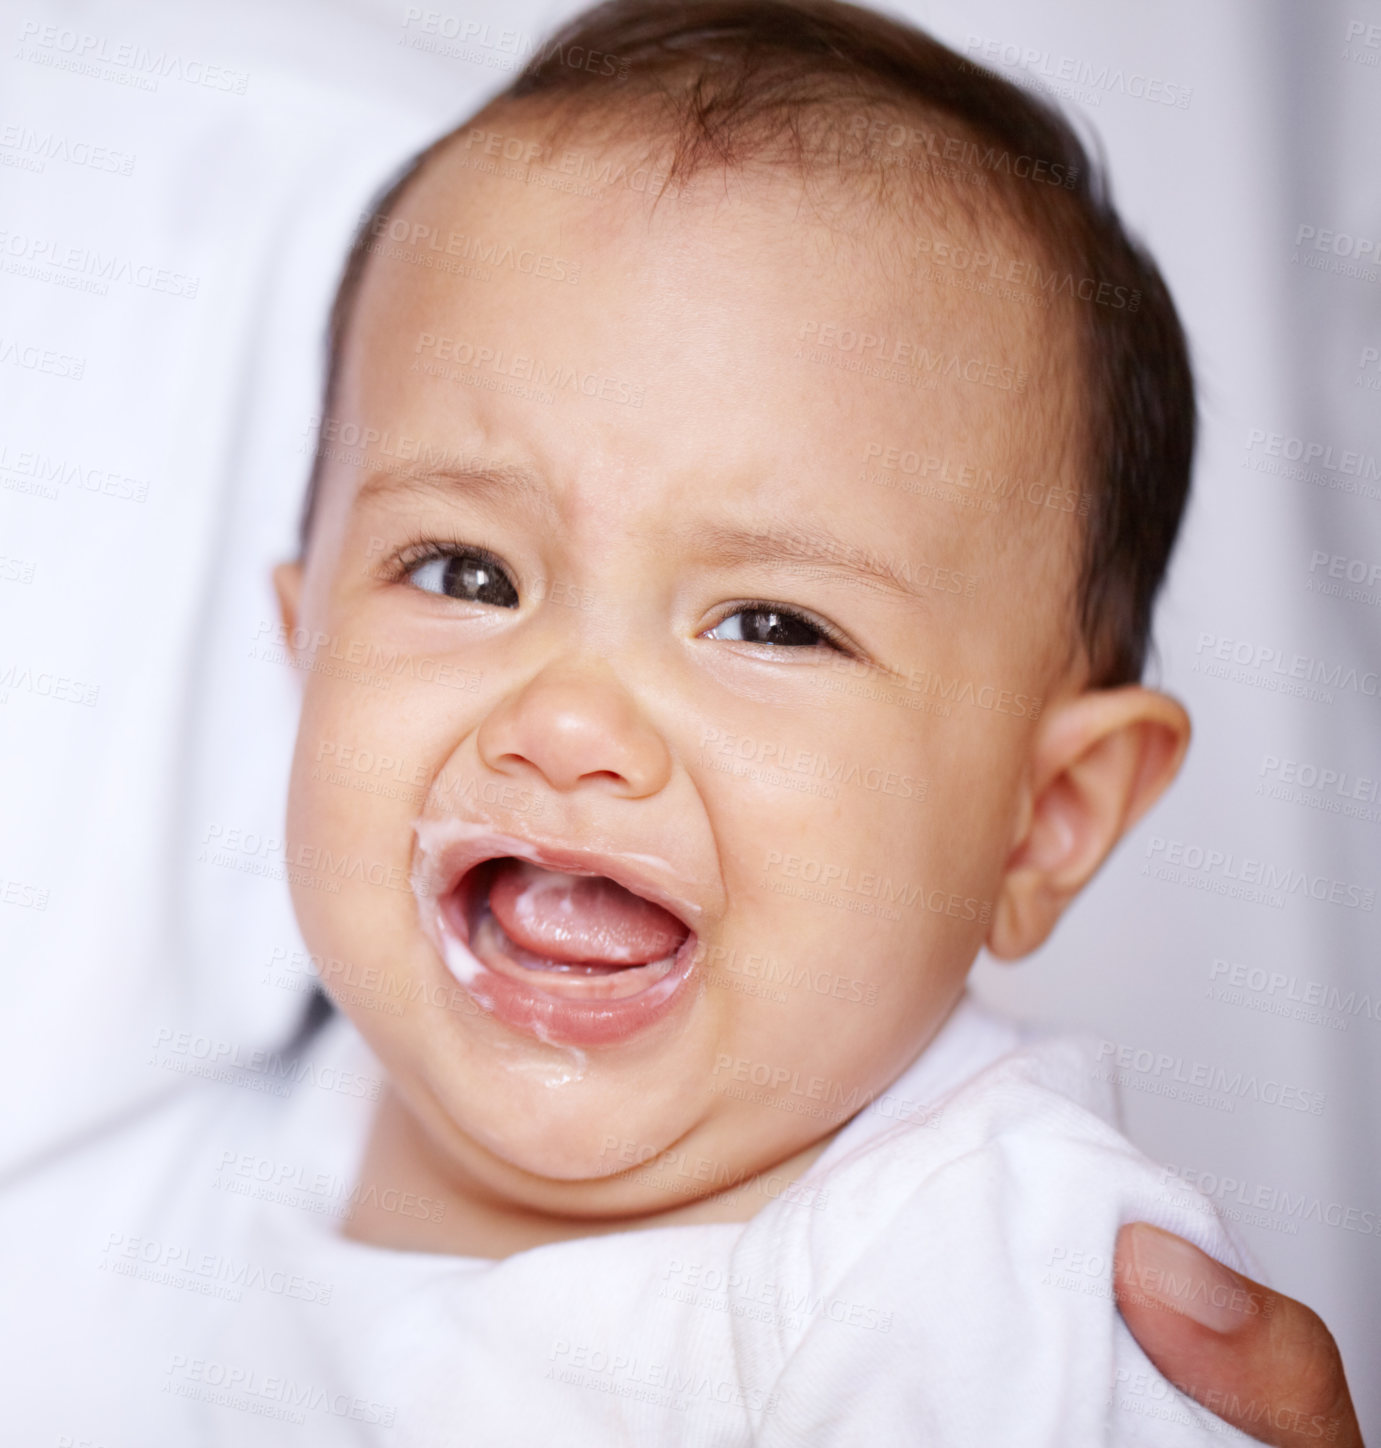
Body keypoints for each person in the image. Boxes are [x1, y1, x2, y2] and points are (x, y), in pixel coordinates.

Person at [0, 1, 1364, 1442]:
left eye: (773, 623)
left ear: (1045, 821)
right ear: (303, 651)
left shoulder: (971, 1279)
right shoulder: (165, 1174)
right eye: (467, 573)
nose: (570, 717)